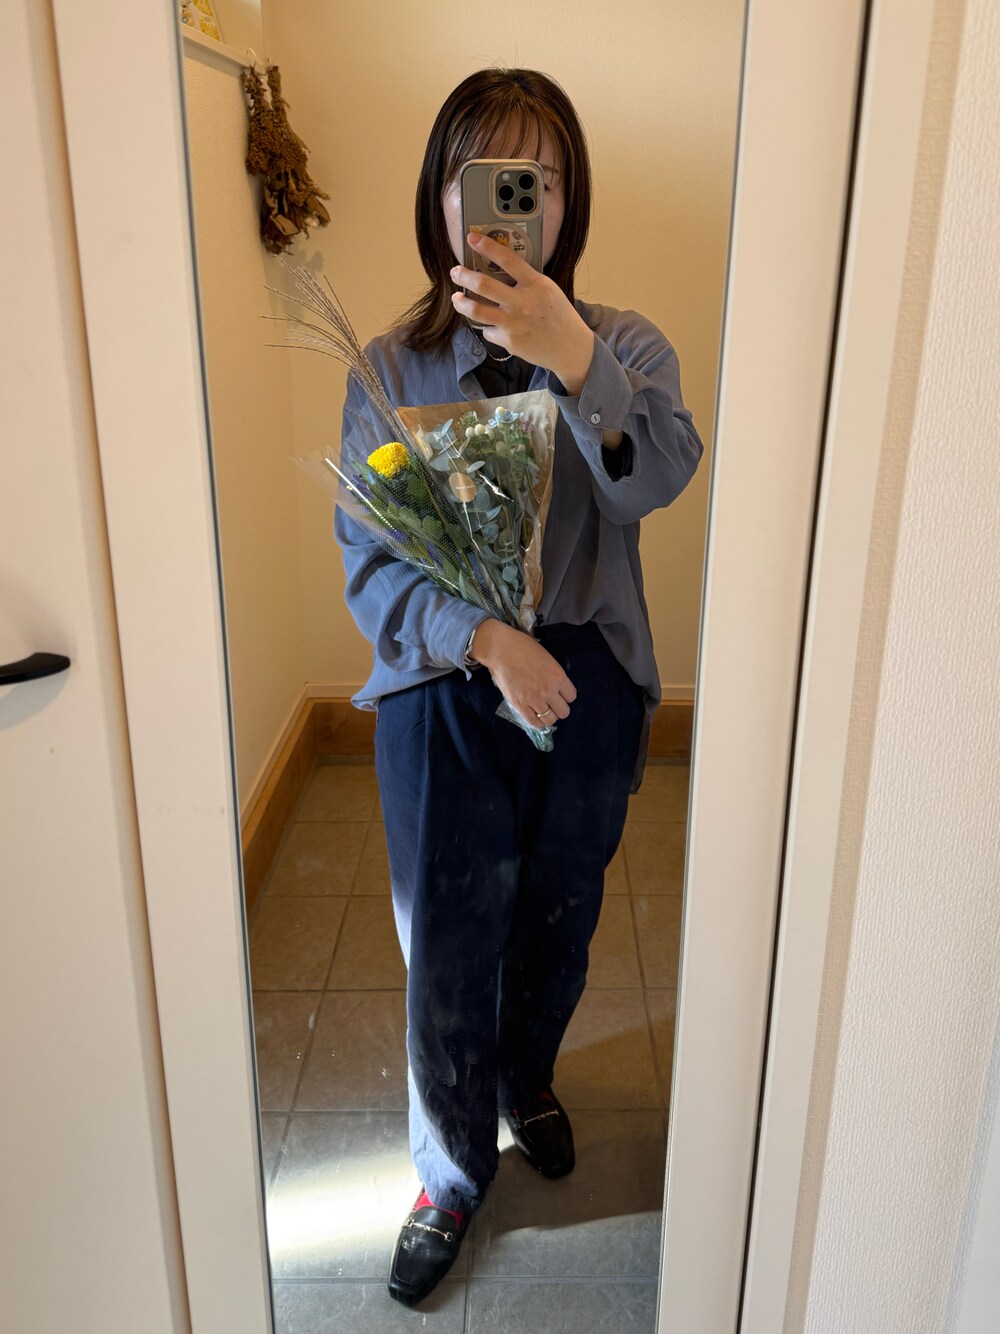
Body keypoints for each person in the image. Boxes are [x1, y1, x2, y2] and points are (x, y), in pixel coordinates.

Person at [334, 67, 704, 1307]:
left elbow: (656, 478)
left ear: (567, 200)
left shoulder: (626, 346)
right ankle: (449, 1170)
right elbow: (371, 564)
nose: (508, 205)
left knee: (559, 912)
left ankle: (524, 1075)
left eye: (533, 180)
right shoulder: (388, 367)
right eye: (482, 176)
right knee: (447, 934)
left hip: (589, 679)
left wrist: (574, 359)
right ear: (440, 198)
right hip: (447, 683)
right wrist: (486, 637)